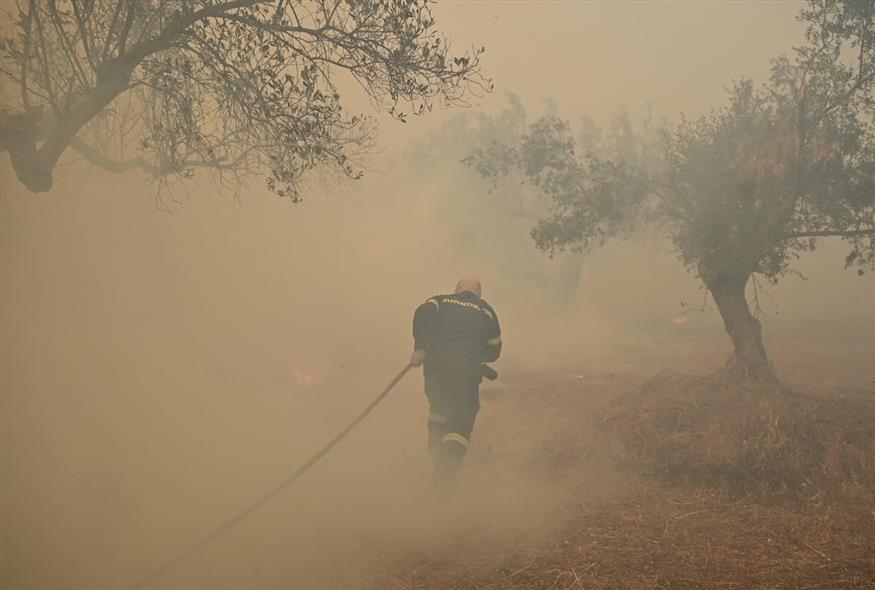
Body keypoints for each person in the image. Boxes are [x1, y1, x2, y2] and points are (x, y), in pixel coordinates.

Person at [410, 275, 502, 496]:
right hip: (466, 372)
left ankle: (436, 451)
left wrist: (421, 347)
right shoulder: (486, 310)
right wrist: (478, 354)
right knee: (460, 423)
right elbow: (494, 351)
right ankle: (445, 475)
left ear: (457, 289)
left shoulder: (440, 301)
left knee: (439, 408)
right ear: (478, 292)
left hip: (436, 368)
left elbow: (422, 313)